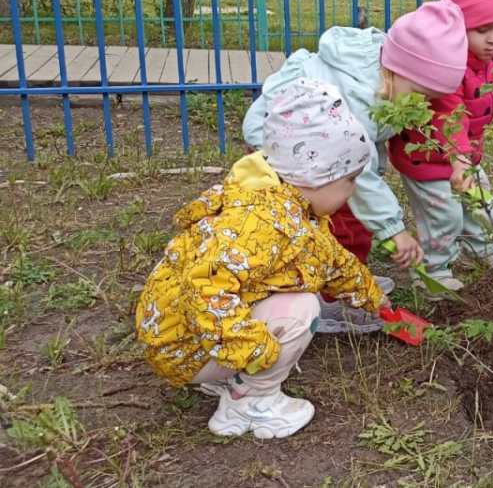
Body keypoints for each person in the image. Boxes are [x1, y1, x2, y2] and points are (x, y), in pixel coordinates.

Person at [137, 79, 388, 438]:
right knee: (302, 310)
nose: (352, 190)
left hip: (188, 335)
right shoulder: (263, 223)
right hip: (182, 347)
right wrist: (246, 349)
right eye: (349, 179)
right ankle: (250, 403)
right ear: (316, 177)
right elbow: (205, 285)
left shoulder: (283, 204)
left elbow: (330, 260)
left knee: (286, 293)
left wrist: (372, 297)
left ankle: (228, 376)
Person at [243, 0, 468, 333]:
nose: (421, 105)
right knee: (339, 220)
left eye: (428, 99)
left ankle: (347, 278)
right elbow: (359, 173)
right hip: (287, 146)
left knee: (344, 214)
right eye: (418, 93)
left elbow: (368, 147)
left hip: (309, 143)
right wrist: (394, 230)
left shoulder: (383, 75)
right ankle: (331, 301)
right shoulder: (355, 95)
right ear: (397, 70)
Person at [388, 0, 493, 296]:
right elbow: (448, 114)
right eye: (482, 29)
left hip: (462, 156)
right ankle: (433, 271)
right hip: (427, 159)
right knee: (443, 217)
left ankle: (482, 249)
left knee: (480, 205)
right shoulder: (446, 63)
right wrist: (458, 157)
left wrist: (464, 158)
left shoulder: (485, 60)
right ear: (459, 27)